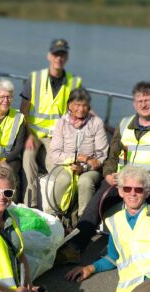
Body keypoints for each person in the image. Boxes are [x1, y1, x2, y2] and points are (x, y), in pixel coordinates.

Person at [57, 81, 150, 264]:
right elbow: (112, 156)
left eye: (148, 100)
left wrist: (137, 178)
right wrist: (108, 173)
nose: (143, 105)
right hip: (120, 180)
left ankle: (138, 250)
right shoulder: (124, 124)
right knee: (98, 201)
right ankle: (75, 247)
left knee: (143, 204)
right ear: (134, 103)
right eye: (139, 101)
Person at [20, 38, 83, 208]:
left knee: (59, 172)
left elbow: (80, 111)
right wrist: (28, 135)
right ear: (49, 56)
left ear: (66, 57)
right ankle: (29, 207)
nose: (59, 58)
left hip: (57, 138)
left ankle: (53, 211)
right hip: (33, 134)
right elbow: (23, 109)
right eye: (56, 54)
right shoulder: (34, 78)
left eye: (62, 54)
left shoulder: (74, 82)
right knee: (28, 161)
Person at [48, 88, 108, 218]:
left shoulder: (96, 123)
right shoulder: (61, 123)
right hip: (65, 165)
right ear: (69, 105)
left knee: (85, 181)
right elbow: (55, 154)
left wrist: (84, 167)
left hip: (91, 169)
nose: (81, 109)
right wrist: (78, 158)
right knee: (64, 179)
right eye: (77, 105)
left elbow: (101, 155)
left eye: (85, 105)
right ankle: (55, 215)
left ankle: (83, 220)